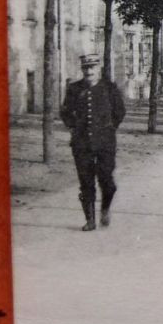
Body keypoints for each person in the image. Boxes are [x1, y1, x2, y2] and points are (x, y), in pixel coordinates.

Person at [59, 53, 126, 231]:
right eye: (86, 68)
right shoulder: (74, 89)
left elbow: (119, 111)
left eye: (92, 67)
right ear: (82, 69)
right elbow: (65, 112)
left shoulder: (109, 88)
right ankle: (90, 220)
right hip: (82, 143)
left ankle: (105, 208)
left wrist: (109, 129)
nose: (89, 71)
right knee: (86, 181)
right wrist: (74, 127)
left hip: (105, 143)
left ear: (98, 68)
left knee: (107, 181)